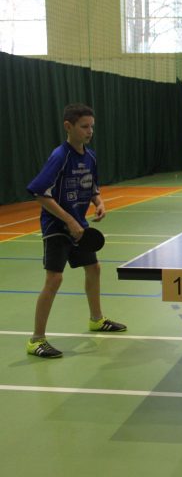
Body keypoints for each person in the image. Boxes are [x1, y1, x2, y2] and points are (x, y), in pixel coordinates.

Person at [24, 103, 127, 358]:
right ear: (68, 127)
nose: (89, 131)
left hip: (79, 227)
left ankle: (96, 319)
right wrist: (69, 221)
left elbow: (91, 187)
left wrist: (99, 202)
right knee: (55, 279)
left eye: (91, 126)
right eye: (84, 127)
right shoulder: (60, 156)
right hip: (57, 226)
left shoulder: (90, 157)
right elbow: (40, 193)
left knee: (94, 268)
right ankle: (36, 340)